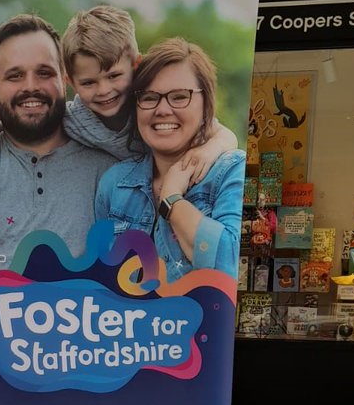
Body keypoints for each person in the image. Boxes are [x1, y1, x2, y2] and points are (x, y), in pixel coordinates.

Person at [0, 5, 237, 177]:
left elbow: (225, 135)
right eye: (89, 83)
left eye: (114, 76)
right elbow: (32, 119)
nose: (104, 90)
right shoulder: (71, 118)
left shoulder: (151, 109)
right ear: (70, 82)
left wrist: (207, 152)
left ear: (135, 65)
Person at [0, 13, 116, 293]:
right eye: (15, 76)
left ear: (64, 80)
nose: (30, 86)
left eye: (44, 73)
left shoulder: (109, 168)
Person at [95, 38, 246, 282]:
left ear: (206, 104)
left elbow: (227, 271)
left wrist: (172, 198)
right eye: (149, 97)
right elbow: (102, 278)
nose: (162, 110)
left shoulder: (232, 171)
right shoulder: (114, 184)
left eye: (178, 97)